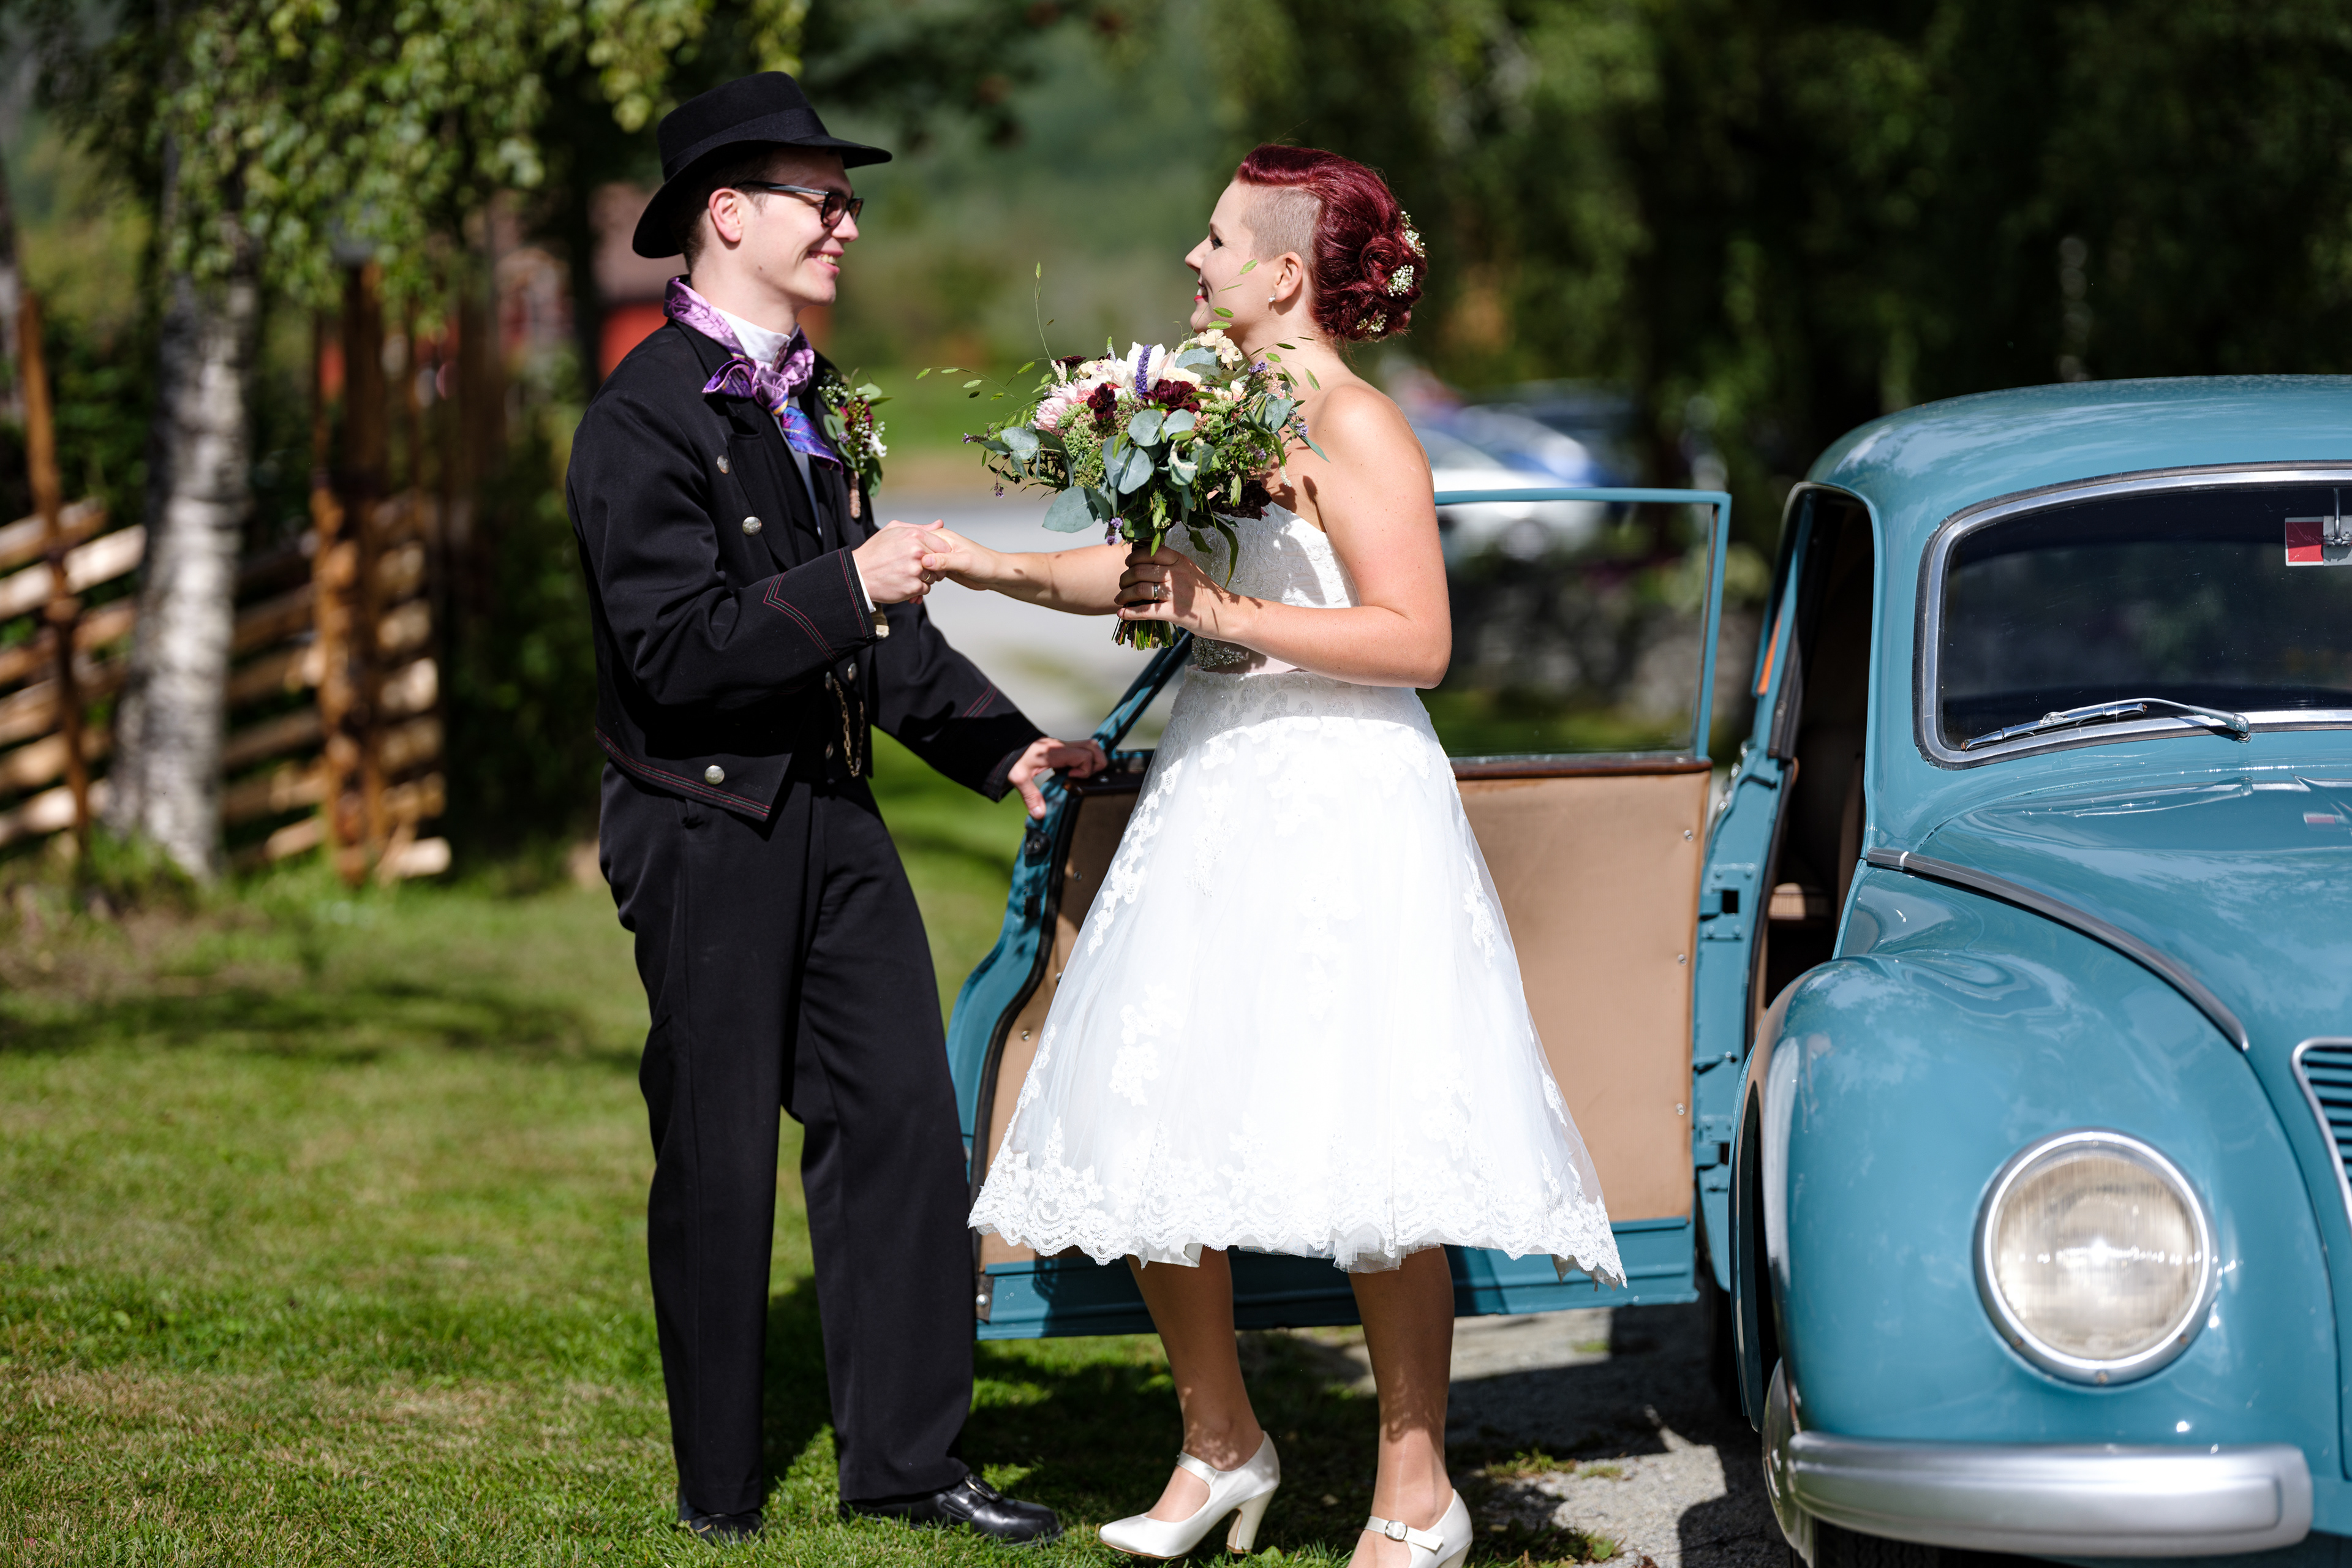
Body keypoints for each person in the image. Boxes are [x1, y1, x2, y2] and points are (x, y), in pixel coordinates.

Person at [928, 145, 1624, 1568]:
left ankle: (1417, 1492)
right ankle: (1220, 1437)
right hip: (1215, 780)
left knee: (1371, 1130)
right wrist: (983, 563)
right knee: (1151, 1101)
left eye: (1216, 238)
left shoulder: (1361, 426)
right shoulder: (1208, 408)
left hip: (1342, 795)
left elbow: (1417, 639)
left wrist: (1227, 612)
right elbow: (1153, 579)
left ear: (1285, 271)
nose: (1193, 259)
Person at [568, 71, 1101, 1545]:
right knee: (721, 1147)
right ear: (727, 215)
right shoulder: (637, 418)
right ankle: (720, 1487)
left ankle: (909, 1462)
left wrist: (1009, 749)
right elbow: (673, 652)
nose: (847, 222)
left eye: (849, 200)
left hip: (832, 807)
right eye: (822, 197)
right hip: (701, 821)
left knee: (903, 1120)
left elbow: (886, 640)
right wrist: (844, 583)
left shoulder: (815, 397)